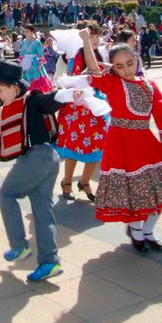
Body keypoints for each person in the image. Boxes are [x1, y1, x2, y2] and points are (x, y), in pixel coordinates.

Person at [67, 35, 162, 254]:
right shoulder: (112, 83)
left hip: (145, 142)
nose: (126, 70)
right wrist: (84, 39)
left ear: (136, 59)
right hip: (120, 143)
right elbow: (93, 69)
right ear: (114, 68)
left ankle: (148, 231)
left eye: (130, 63)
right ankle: (136, 231)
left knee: (157, 189)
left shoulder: (150, 85)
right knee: (134, 193)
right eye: (120, 66)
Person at [0, 61, 75, 282]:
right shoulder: (8, 107)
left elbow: (50, 100)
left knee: (7, 194)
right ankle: (50, 261)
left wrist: (68, 93)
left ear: (14, 88)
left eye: (1, 91)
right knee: (42, 208)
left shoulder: (32, 100)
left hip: (37, 157)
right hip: (48, 159)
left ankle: (19, 246)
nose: (0, 96)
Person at [51, 22, 109, 202]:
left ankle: (84, 181)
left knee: (98, 146)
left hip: (94, 107)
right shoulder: (77, 53)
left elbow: (97, 71)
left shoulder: (94, 52)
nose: (96, 39)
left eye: (97, 35)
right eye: (92, 35)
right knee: (73, 147)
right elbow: (94, 71)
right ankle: (67, 182)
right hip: (78, 108)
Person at [18, 25, 52, 92]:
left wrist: (40, 64)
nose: (25, 33)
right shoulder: (24, 41)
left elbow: (41, 54)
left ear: (32, 32)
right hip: (25, 62)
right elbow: (22, 53)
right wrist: (20, 63)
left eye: (27, 31)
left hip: (34, 63)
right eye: (25, 32)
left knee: (36, 78)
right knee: (25, 79)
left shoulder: (37, 42)